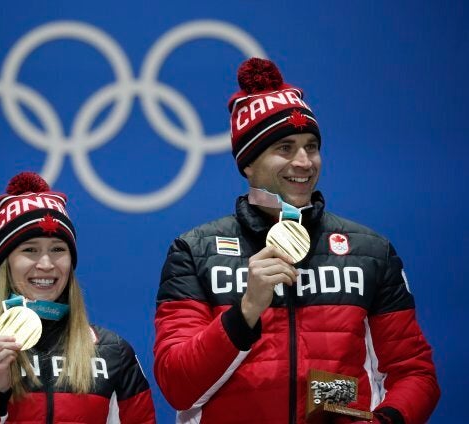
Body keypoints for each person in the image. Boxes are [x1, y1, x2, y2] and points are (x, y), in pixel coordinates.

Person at [153, 58, 440, 424]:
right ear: (248, 164)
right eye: (285, 148)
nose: (304, 162)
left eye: (311, 146)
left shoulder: (370, 251)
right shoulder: (195, 251)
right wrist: (245, 312)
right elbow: (178, 386)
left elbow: (414, 373)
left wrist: (385, 421)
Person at [0, 171, 156, 423]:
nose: (46, 264)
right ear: (6, 263)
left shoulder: (112, 352)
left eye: (58, 249)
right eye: (30, 250)